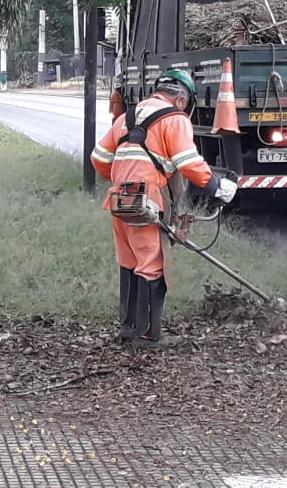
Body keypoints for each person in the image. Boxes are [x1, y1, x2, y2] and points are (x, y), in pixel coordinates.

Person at [91, 69, 237, 349]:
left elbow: (98, 159)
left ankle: (129, 326)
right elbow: (189, 162)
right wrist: (217, 187)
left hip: (119, 199)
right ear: (182, 100)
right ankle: (149, 336)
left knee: (129, 261)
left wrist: (124, 175)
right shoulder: (175, 119)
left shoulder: (127, 117)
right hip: (147, 201)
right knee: (152, 264)